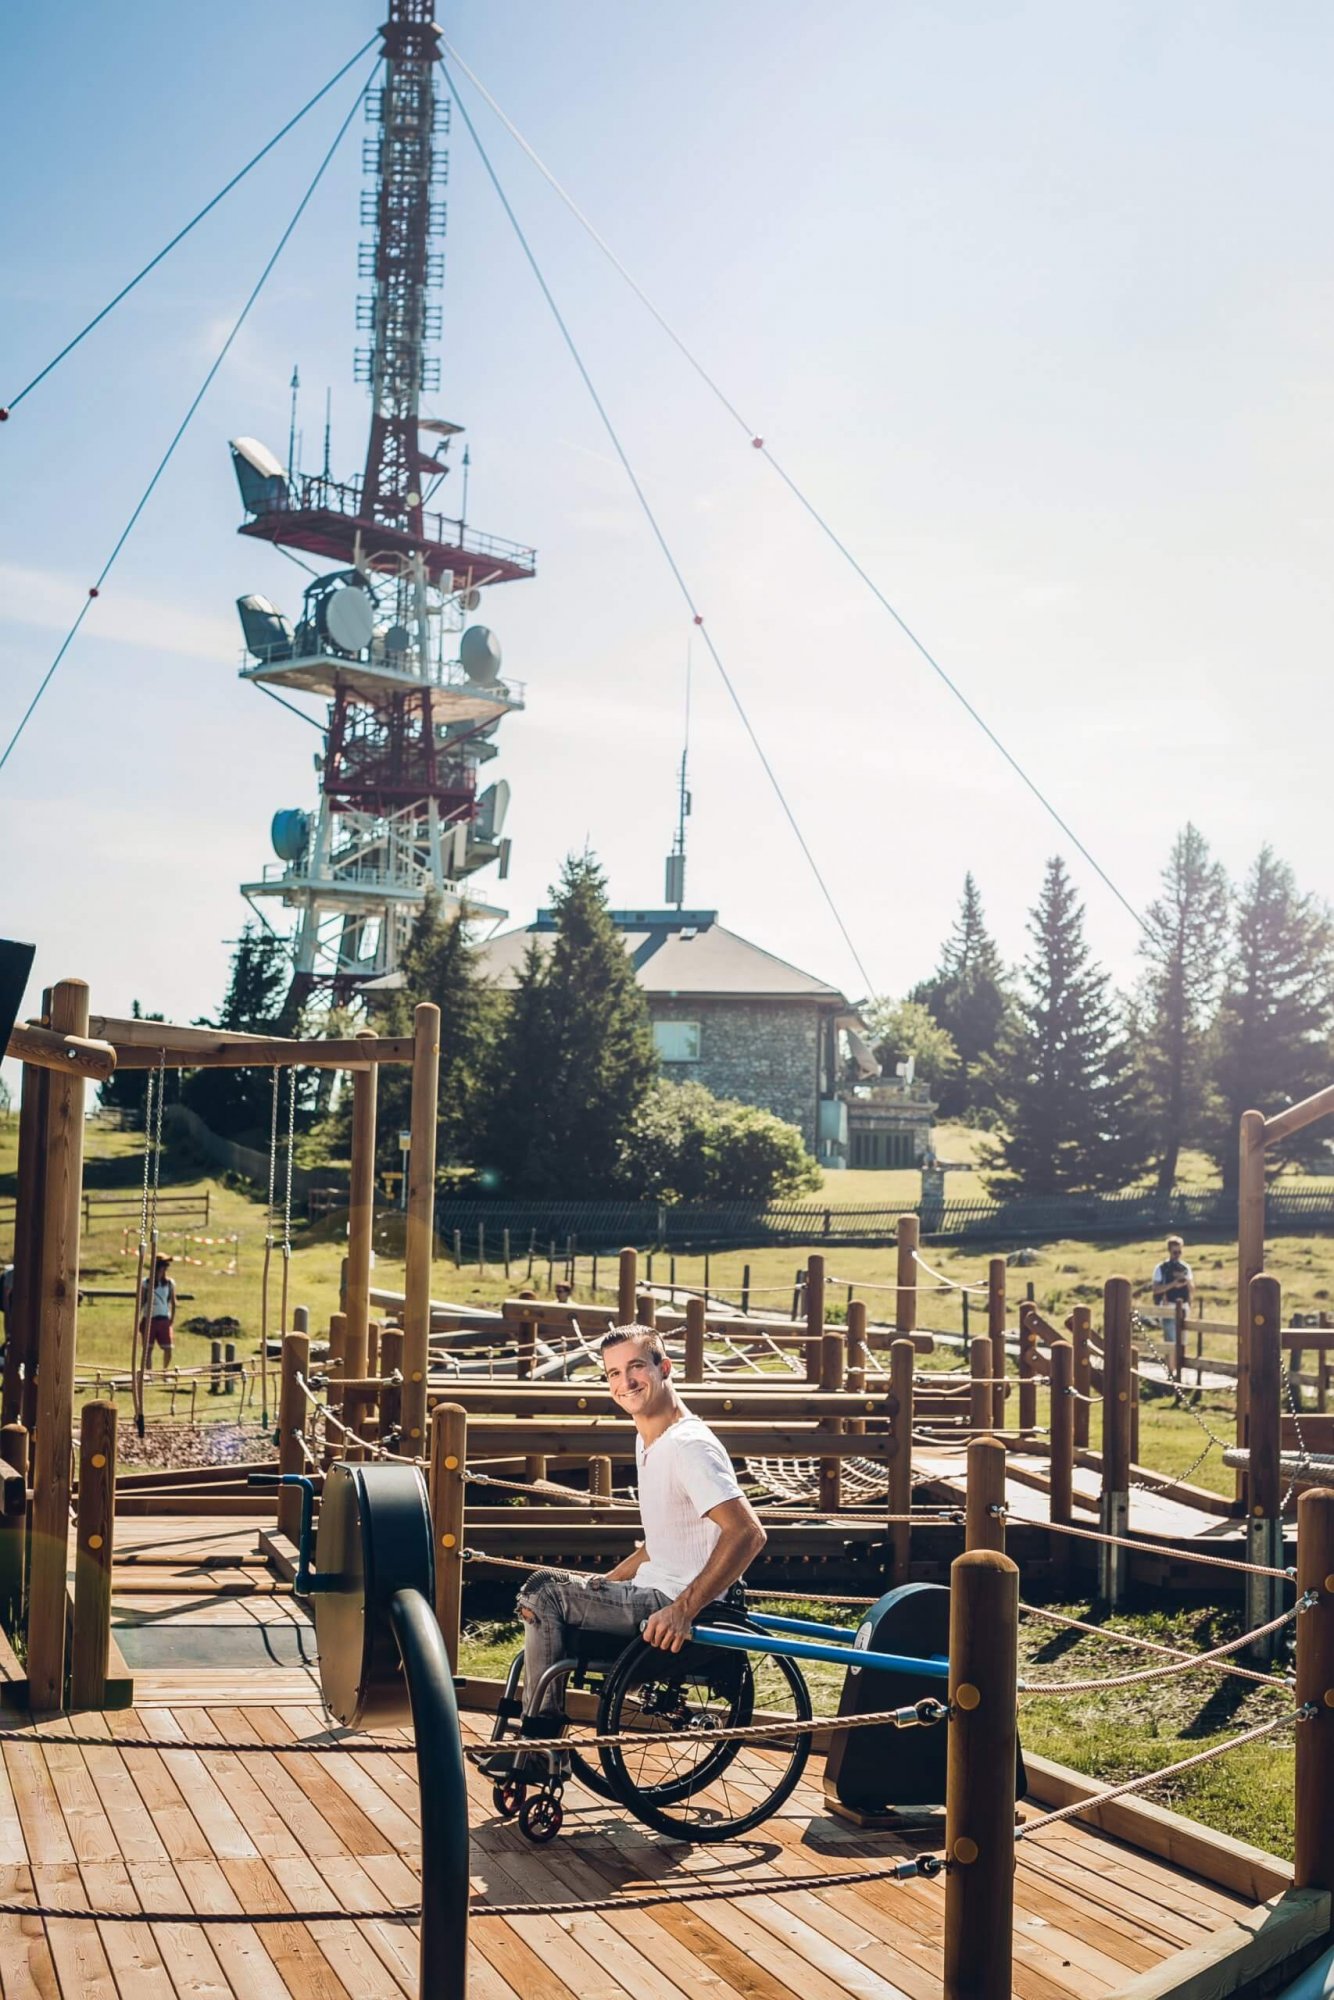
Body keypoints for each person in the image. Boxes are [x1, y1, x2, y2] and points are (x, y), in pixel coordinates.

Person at [486, 1322, 766, 1771]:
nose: (624, 1382)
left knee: (543, 1592)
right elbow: (662, 1542)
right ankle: (539, 1740)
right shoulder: (648, 1438)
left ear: (664, 1367)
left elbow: (748, 1533)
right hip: (650, 1591)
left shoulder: (689, 1446)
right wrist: (601, 1583)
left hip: (675, 1603)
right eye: (613, 1373)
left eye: (635, 1367)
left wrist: (682, 1610)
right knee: (551, 1588)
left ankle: (541, 1746)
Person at [1151, 1235, 1194, 1347]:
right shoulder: (1161, 1268)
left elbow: (1192, 1290)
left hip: (1184, 1306)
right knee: (1171, 1342)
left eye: (1180, 1252)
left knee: (1183, 1342)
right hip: (1168, 1305)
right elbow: (1155, 1290)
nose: (1177, 1255)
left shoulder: (1185, 1268)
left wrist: (1186, 1281)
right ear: (1169, 1251)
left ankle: (1179, 1364)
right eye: (1175, 1252)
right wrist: (1174, 1284)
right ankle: (1171, 1365)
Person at [139, 1254, 177, 1375]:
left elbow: (173, 1301)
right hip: (149, 1319)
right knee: (148, 1349)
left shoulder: (169, 1283)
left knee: (168, 1348)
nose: (164, 1269)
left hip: (164, 1318)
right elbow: (141, 1301)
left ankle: (164, 1372)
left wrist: (172, 1319)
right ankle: (149, 1374)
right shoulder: (146, 1283)